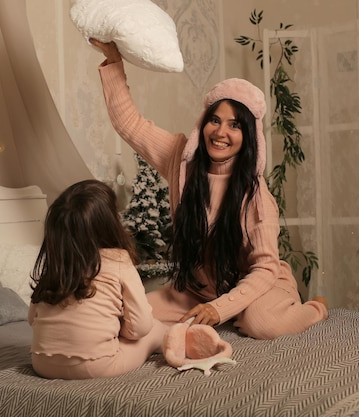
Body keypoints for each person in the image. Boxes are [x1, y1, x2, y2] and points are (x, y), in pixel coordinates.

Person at [92, 39, 328, 340]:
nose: (220, 132)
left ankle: (316, 307)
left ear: (249, 136)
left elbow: (266, 269)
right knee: (132, 316)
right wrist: (113, 61)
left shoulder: (257, 197)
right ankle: (228, 309)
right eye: (214, 121)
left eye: (234, 126)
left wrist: (219, 310)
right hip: (200, 289)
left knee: (260, 324)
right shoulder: (181, 159)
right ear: (203, 123)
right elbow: (129, 124)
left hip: (260, 286)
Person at [28, 179, 166, 379]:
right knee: (154, 329)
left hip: (42, 364)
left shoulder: (56, 263)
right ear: (109, 224)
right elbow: (140, 327)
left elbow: (32, 320)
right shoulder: (118, 259)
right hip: (97, 366)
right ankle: (178, 339)